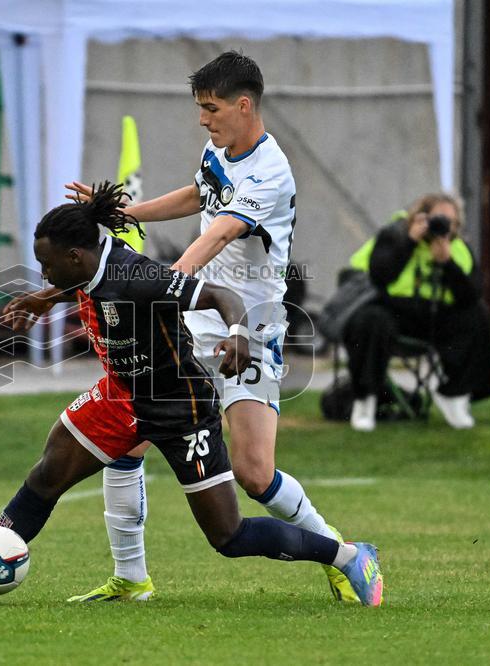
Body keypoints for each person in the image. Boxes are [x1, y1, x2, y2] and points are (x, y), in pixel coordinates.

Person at [0, 181, 384, 607]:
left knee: (229, 536)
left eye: (46, 264)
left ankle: (347, 556)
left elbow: (223, 297)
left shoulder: (138, 276)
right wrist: (45, 297)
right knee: (47, 473)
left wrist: (238, 335)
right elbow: (83, 284)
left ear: (76, 256)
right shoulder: (89, 266)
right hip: (120, 396)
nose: (42, 271)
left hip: (182, 407)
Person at [23, 52, 355, 603]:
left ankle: (338, 551)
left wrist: (165, 281)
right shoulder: (220, 150)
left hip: (248, 326)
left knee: (254, 473)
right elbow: (199, 196)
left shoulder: (270, 173)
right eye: (201, 108)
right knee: (127, 431)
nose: (203, 119)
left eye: (211, 108)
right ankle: (130, 577)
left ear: (243, 105)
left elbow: (219, 232)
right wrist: (128, 214)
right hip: (192, 324)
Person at [343, 193, 490, 432]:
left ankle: (454, 394)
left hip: (436, 317)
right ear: (420, 216)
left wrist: (446, 263)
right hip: (395, 312)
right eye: (437, 219)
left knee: (476, 315)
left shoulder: (458, 248)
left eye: (450, 222)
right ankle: (365, 399)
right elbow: (380, 275)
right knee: (370, 320)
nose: (442, 226)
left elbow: (471, 294)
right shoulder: (394, 235)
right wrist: (409, 242)